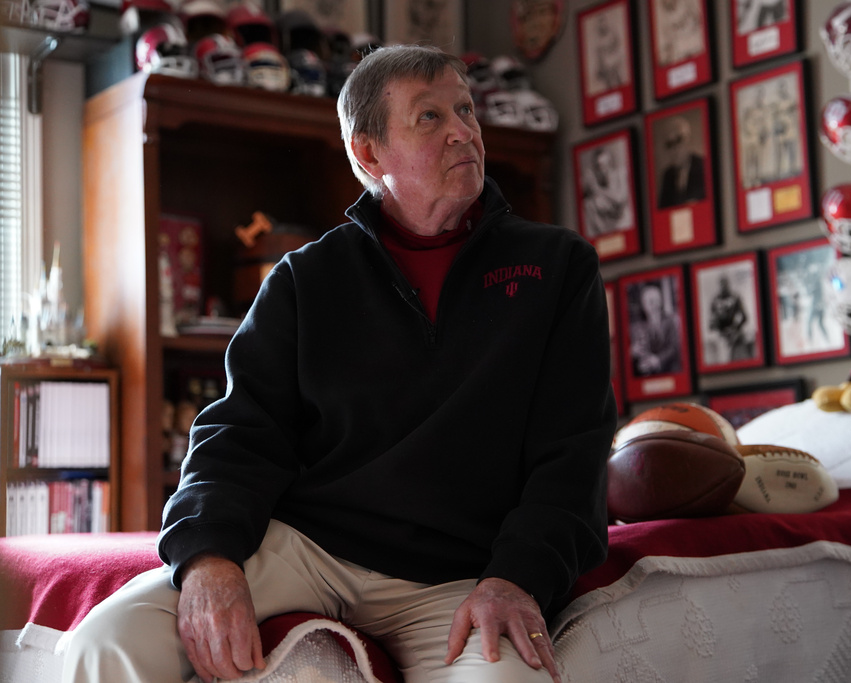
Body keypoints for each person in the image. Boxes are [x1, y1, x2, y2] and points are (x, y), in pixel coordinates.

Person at [62, 45, 617, 683]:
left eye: (465, 110)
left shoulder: (558, 267)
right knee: (106, 642)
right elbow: (240, 430)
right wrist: (209, 558)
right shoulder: (304, 278)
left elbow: (573, 450)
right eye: (430, 117)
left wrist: (517, 578)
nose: (463, 131)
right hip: (309, 548)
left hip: (460, 572)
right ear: (369, 154)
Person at [629, 280, 681, 377]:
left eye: (654, 300)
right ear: (643, 305)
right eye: (648, 301)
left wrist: (658, 359)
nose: (652, 305)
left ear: (660, 302)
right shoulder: (637, 326)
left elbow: (674, 348)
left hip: (668, 371)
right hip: (646, 374)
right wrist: (632, 351)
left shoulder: (670, 321)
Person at [580, 143, 632, 238]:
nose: (604, 170)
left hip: (625, 226)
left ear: (611, 164)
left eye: (606, 165)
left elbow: (619, 198)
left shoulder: (621, 174)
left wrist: (596, 188)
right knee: (588, 204)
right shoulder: (596, 192)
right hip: (607, 232)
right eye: (599, 167)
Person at [657, 115, 706, 209]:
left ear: (688, 140)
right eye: (670, 144)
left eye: (678, 141)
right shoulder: (667, 176)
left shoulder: (703, 166)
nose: (674, 150)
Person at [707, 275, 750, 363]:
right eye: (722, 284)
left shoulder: (735, 297)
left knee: (741, 360)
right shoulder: (715, 300)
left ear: (728, 284)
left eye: (725, 284)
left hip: (735, 335)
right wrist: (719, 329)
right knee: (723, 360)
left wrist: (735, 329)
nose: (723, 286)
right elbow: (711, 324)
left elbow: (744, 317)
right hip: (721, 337)